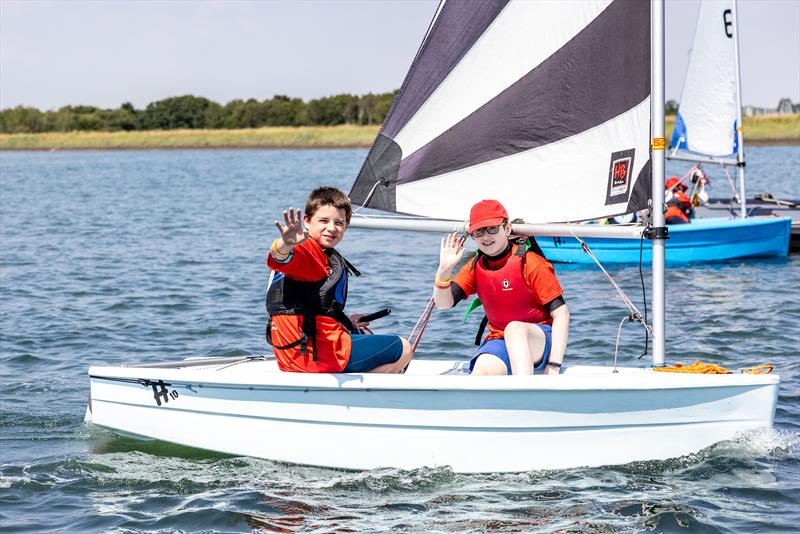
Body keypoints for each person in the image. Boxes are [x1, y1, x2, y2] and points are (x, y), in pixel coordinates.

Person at [266, 186, 413, 373]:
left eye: (339, 223)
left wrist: (345, 321)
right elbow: (279, 259)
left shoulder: (323, 254)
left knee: (363, 332)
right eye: (323, 221)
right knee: (403, 348)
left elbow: (315, 306)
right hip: (310, 353)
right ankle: (362, 397)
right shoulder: (307, 250)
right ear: (307, 221)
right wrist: (285, 244)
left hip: (294, 351)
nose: (331, 228)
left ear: (346, 226)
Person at [432, 199, 570, 376]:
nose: (486, 237)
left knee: (515, 329)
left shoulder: (531, 263)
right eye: (479, 232)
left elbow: (562, 314)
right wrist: (444, 270)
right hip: (501, 339)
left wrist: (553, 365)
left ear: (506, 228)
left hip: (539, 339)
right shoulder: (475, 266)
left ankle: (526, 395)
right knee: (481, 370)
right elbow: (443, 304)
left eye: (492, 229)